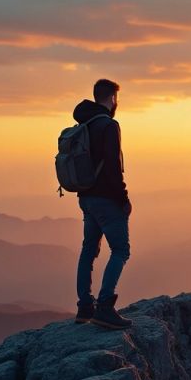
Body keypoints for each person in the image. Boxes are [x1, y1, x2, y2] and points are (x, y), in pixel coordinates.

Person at [73, 79, 133, 329]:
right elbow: (112, 166)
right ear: (111, 99)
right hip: (106, 199)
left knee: (89, 248)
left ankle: (85, 307)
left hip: (86, 198)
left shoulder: (83, 123)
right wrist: (123, 198)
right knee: (120, 250)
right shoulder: (108, 125)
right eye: (116, 99)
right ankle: (105, 307)